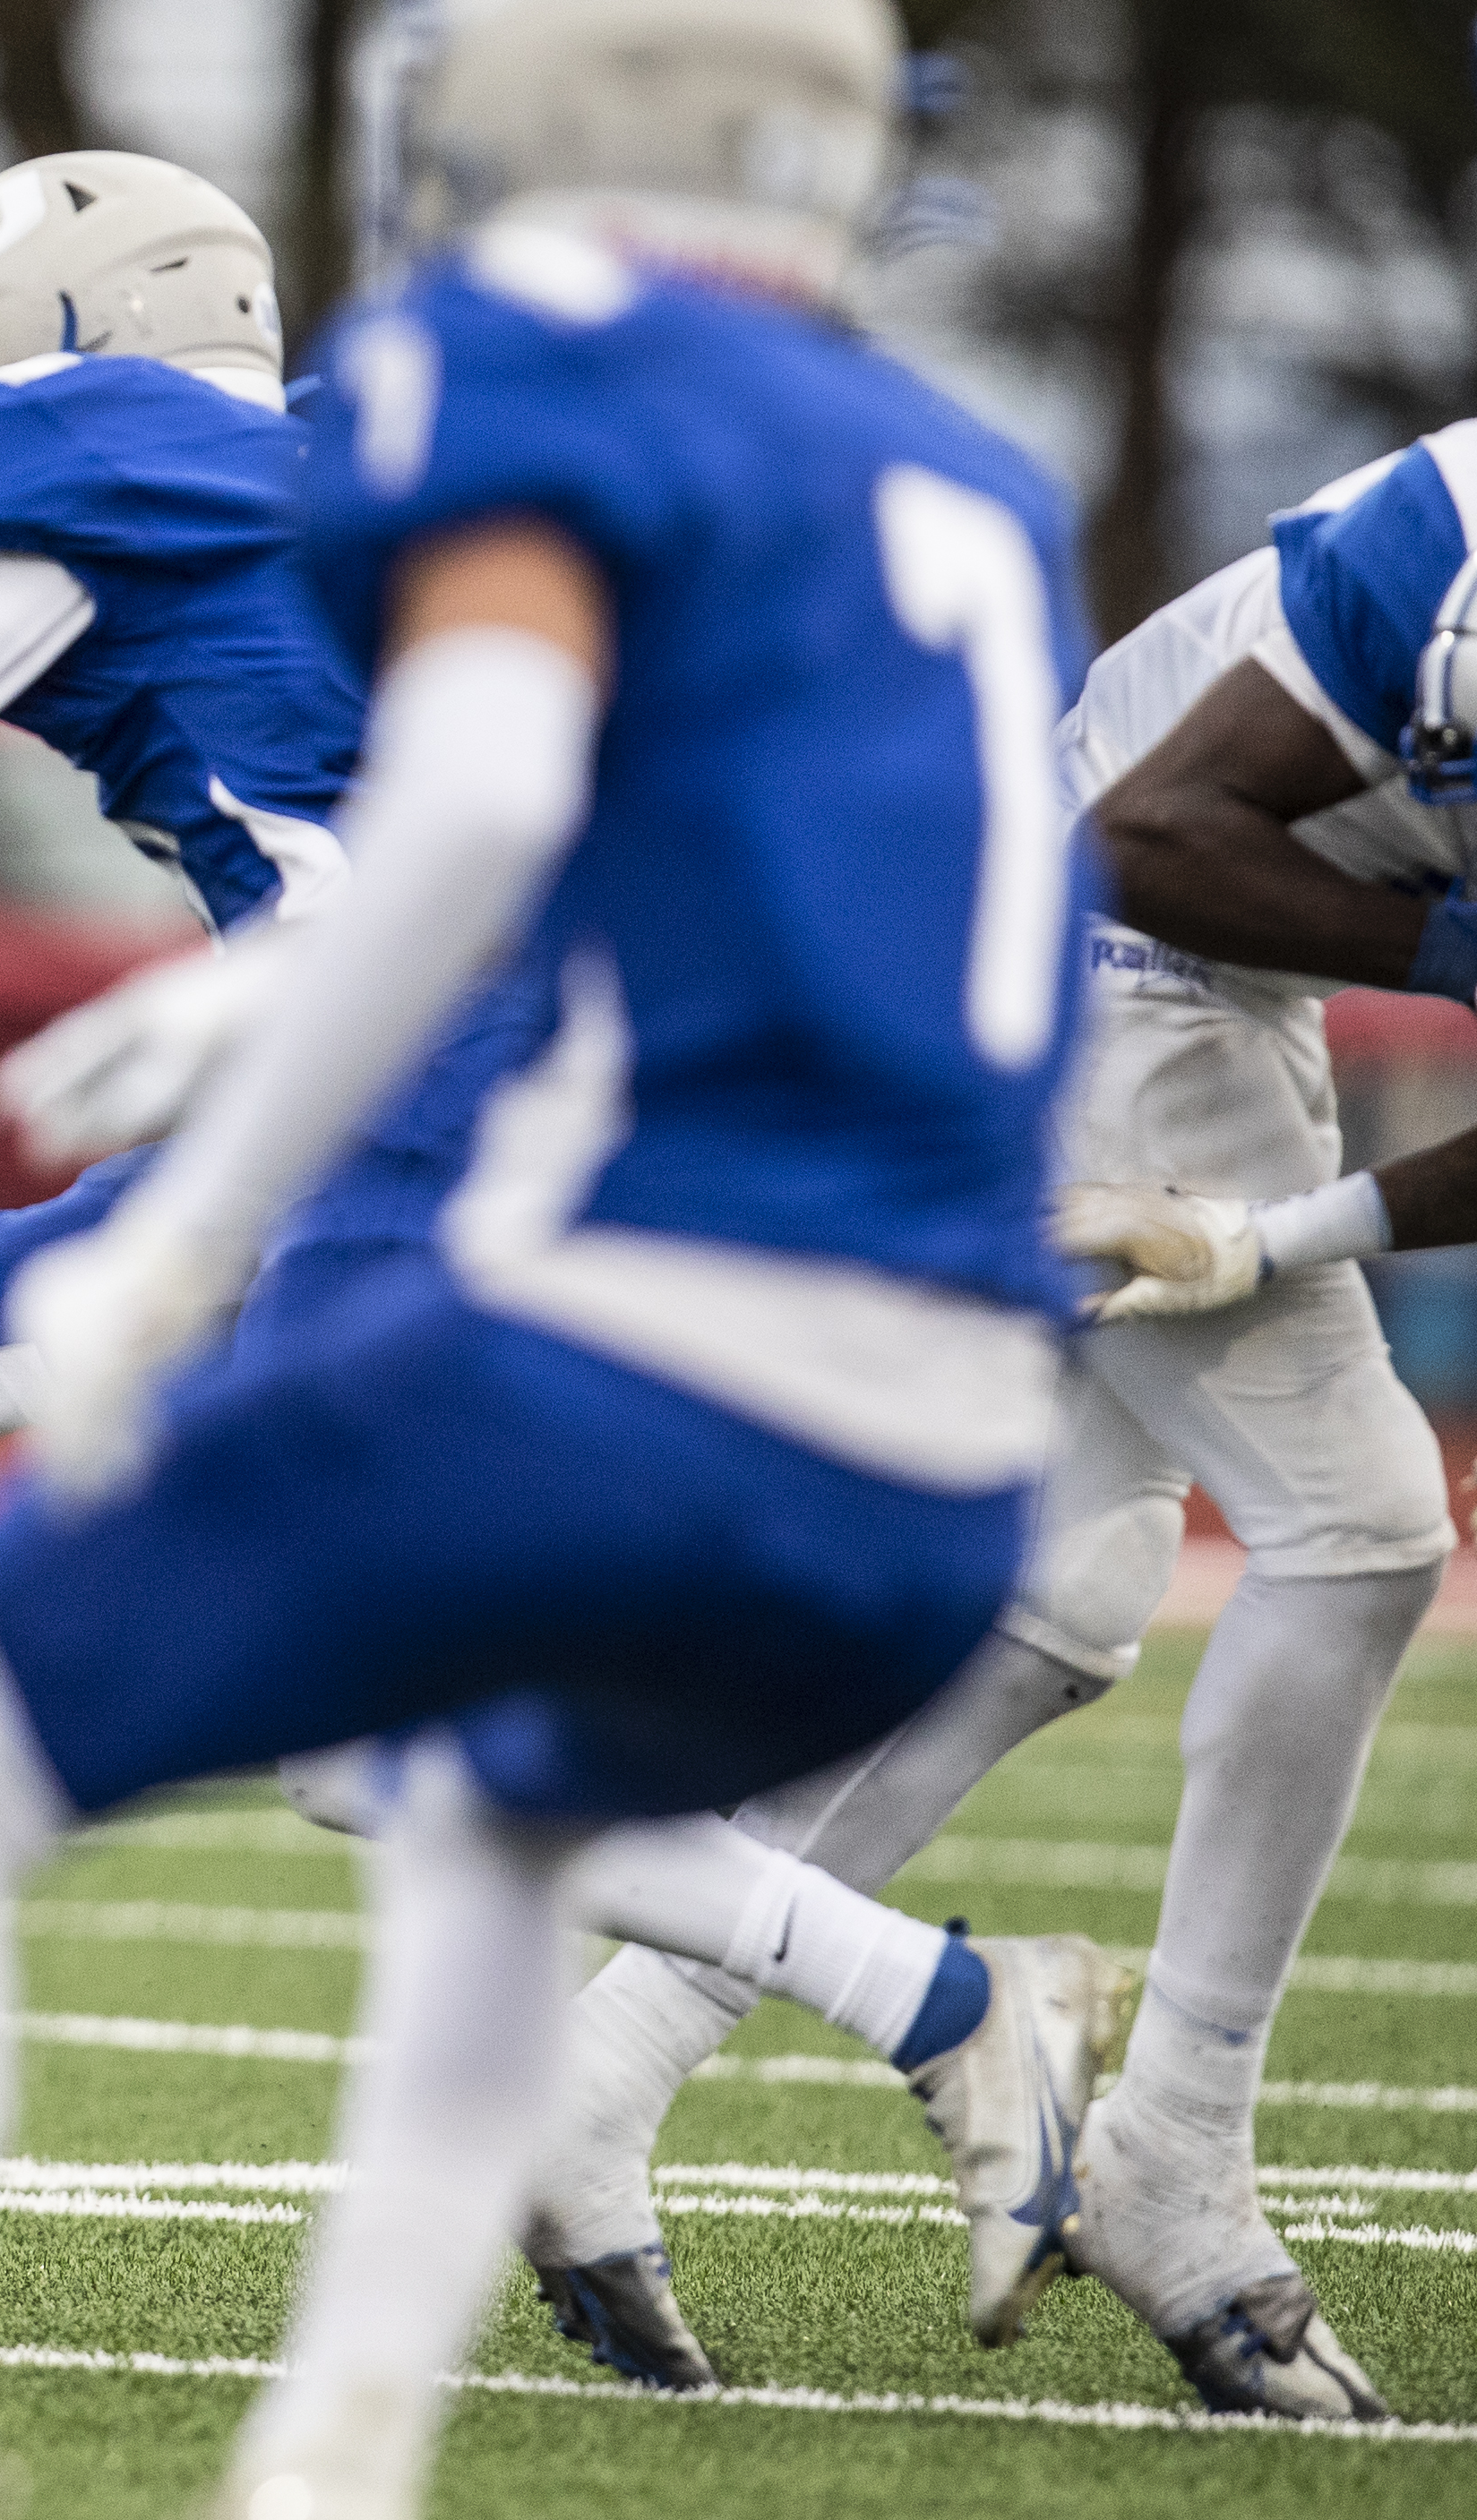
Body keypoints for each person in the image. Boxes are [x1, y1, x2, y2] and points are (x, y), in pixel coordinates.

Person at [0, 143, 1101, 2400]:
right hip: (465, 1075)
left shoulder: (90, 471)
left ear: (58, 324)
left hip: (407, 1101)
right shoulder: (363, 472)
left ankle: (937, 2000)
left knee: (369, 1734)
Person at [525, 424, 1477, 2425]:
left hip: (1183, 981)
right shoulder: (1443, 538)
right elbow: (1148, 831)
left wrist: (1275, 1232)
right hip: (1085, 927)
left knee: (1060, 1580)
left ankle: (584, 2086)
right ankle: (1170, 2158)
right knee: (1360, 1530)